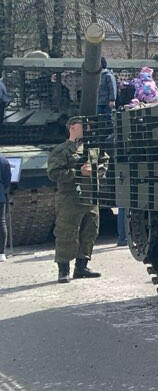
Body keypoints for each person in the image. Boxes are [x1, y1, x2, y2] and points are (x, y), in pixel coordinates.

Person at [47, 116, 107, 283]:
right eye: (83, 125)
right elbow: (54, 173)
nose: (87, 128)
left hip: (90, 197)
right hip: (70, 198)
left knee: (90, 231)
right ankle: (63, 269)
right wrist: (78, 173)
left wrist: (95, 171)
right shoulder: (61, 150)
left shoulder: (92, 149)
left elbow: (104, 163)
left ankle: (82, 267)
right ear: (72, 127)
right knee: (66, 232)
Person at [0, 153, 10, 260]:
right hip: (0, 195)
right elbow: (7, 181)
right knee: (1, 222)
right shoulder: (3, 161)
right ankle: (1, 253)